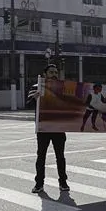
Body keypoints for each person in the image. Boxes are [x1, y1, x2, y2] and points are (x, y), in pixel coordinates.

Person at [27, 64, 69, 194]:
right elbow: (27, 104)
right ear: (45, 74)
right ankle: (39, 184)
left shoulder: (63, 89)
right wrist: (35, 98)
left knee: (60, 157)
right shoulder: (36, 88)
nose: (54, 74)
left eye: (56, 72)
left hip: (58, 128)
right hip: (43, 129)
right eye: (51, 72)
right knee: (41, 157)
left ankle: (63, 182)